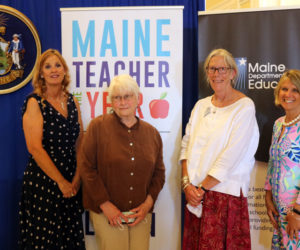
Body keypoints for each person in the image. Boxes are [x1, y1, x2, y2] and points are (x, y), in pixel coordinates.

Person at [179, 48, 259, 249]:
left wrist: (202, 188)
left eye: (222, 69)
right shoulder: (201, 105)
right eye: (212, 69)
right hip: (196, 195)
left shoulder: (244, 106)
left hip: (224, 195)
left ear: (233, 73)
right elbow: (186, 145)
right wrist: (187, 185)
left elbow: (231, 155)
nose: (217, 74)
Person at [79, 74, 165, 250]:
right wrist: (105, 204)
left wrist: (148, 204)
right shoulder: (97, 127)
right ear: (111, 101)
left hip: (141, 215)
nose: (122, 102)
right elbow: (86, 167)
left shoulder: (152, 134)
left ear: (138, 99)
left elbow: (159, 173)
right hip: (107, 214)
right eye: (117, 97)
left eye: (127, 96)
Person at [18, 49, 85, 249]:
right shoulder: (34, 103)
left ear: (64, 70)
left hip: (71, 183)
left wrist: (77, 178)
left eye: (58, 65)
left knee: (69, 240)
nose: (54, 70)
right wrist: (62, 182)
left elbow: (80, 140)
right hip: (44, 184)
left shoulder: (73, 101)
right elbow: (35, 148)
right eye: (48, 66)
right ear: (41, 73)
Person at [265, 69, 300, 249]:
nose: (289, 94)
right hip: (280, 211)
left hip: (295, 213)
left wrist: (297, 212)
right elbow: (273, 163)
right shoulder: (278, 124)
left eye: (295, 90)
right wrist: (268, 196)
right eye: (284, 89)